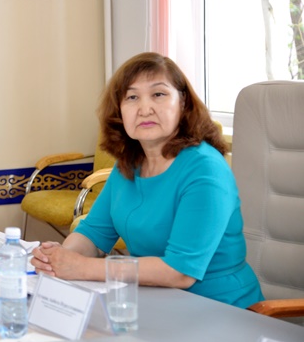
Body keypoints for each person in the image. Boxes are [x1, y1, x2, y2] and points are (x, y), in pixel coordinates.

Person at [30, 52, 264, 308]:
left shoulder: (204, 169)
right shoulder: (128, 163)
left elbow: (180, 271)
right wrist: (60, 258)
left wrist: (82, 267)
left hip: (221, 309)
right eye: (132, 97)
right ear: (119, 110)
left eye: (158, 94)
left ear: (183, 103)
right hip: (156, 302)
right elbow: (94, 233)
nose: (144, 109)